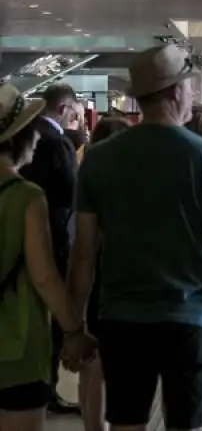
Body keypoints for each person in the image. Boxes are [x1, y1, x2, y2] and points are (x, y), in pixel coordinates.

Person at [67, 44, 202, 431]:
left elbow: (83, 253)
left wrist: (73, 329)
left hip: (121, 317)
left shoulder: (99, 158)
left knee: (127, 422)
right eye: (189, 87)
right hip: (193, 319)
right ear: (175, 91)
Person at [0, 84, 96, 431]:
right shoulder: (25, 197)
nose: (37, 139)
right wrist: (73, 329)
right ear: (17, 139)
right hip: (16, 341)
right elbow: (42, 275)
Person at [19, 83, 81, 415]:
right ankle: (49, 390)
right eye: (73, 110)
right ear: (63, 108)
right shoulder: (58, 143)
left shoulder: (28, 136)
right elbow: (72, 195)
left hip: (22, 238)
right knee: (54, 317)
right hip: (54, 239)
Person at [79, 116, 131, 431]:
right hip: (118, 279)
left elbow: (82, 247)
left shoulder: (88, 177)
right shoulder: (128, 184)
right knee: (113, 368)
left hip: (93, 280)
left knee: (90, 367)